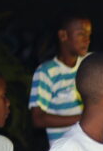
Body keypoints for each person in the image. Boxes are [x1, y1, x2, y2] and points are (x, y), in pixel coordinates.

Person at [29, 15, 93, 143]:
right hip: (65, 150)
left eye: (89, 34)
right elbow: (38, 119)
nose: (87, 40)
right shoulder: (46, 72)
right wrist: (84, 118)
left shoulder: (91, 63)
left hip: (92, 145)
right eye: (81, 34)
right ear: (63, 35)